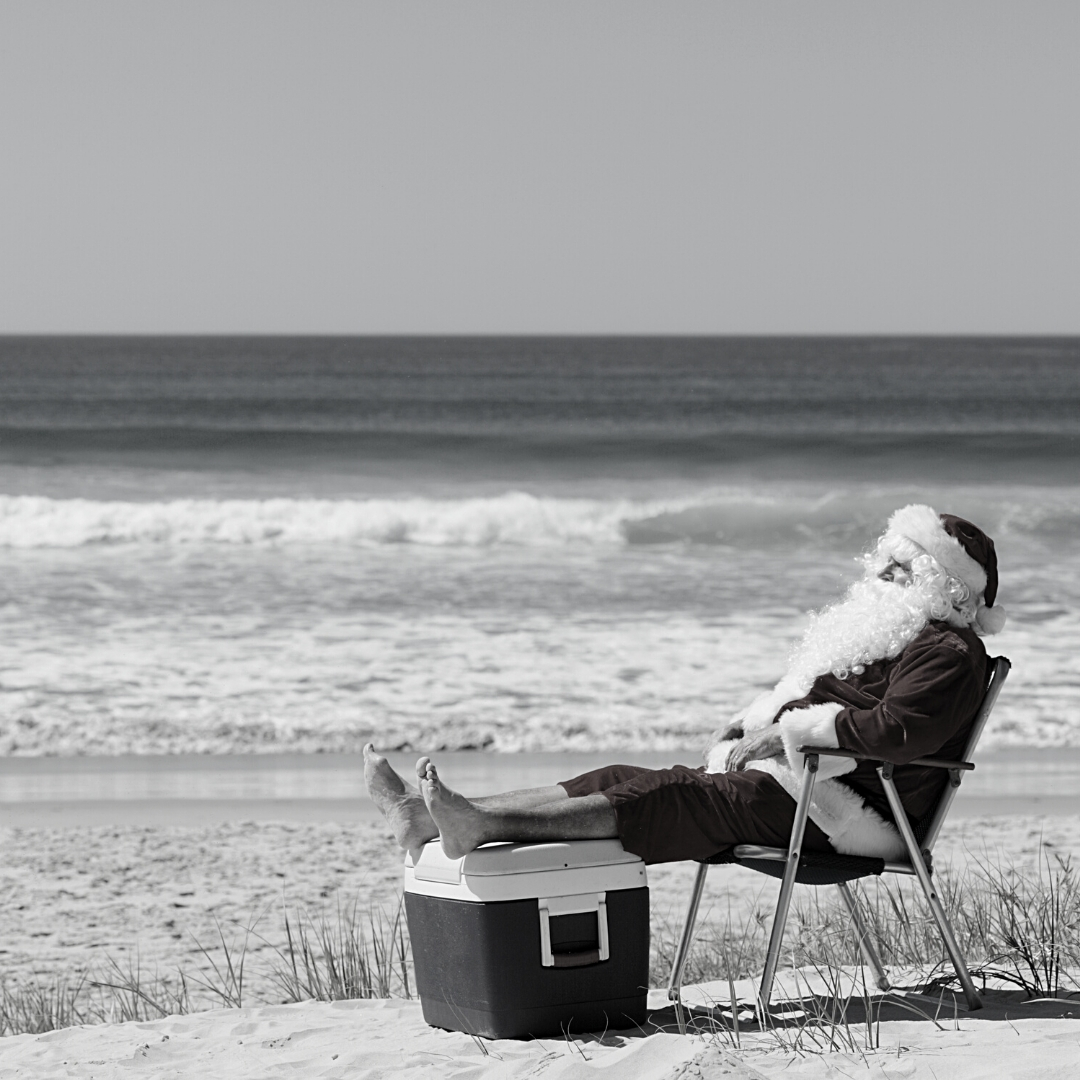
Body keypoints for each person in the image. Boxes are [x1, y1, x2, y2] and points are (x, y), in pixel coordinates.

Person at [364, 505, 1005, 864]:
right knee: (617, 776)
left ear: (942, 585)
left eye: (901, 566)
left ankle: (481, 824)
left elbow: (898, 732)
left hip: (850, 811)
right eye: (886, 560)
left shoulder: (947, 652)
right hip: (803, 786)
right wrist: (760, 723)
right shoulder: (890, 638)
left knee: (669, 797)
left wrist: (789, 733)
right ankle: (426, 818)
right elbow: (830, 704)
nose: (882, 574)